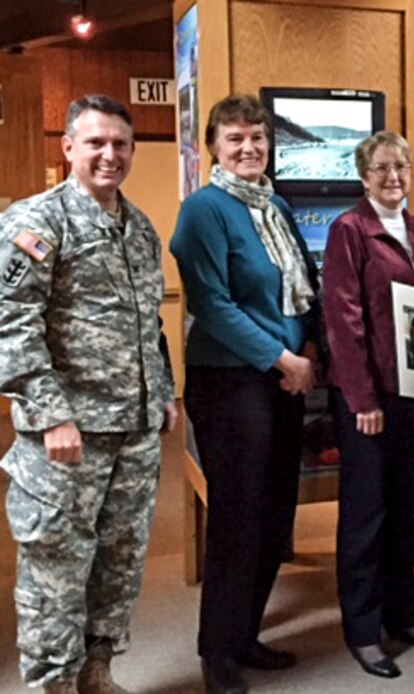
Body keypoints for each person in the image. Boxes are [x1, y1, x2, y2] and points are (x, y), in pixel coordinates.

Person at [0, 94, 176, 694]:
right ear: (68, 147)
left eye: (120, 144)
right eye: (95, 142)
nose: (109, 154)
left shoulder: (139, 227)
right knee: (56, 568)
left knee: (119, 565)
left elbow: (147, 322)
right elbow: (11, 324)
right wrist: (51, 417)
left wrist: (165, 393)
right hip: (66, 439)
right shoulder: (37, 223)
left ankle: (96, 673)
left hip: (133, 431)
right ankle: (53, 684)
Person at [170, 94, 320, 694]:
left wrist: (306, 352)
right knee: (238, 518)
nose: (249, 148)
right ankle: (218, 652)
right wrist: (282, 357)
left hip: (283, 378)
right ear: (214, 147)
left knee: (275, 512)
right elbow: (212, 305)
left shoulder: (275, 204)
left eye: (257, 137)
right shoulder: (204, 211)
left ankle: (246, 635)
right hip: (231, 381)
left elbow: (299, 281)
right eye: (235, 139)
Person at [322, 130, 414, 680]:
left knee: (407, 511)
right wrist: (362, 399)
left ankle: (404, 617)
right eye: (380, 168)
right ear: (362, 176)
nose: (392, 177)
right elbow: (343, 322)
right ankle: (363, 630)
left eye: (400, 167)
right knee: (366, 517)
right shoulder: (349, 230)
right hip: (370, 401)